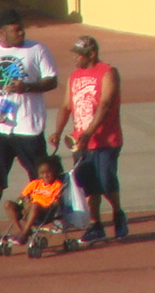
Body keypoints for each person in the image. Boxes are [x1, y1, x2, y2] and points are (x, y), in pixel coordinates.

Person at [0, 7, 57, 242]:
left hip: (28, 126)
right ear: (1, 32)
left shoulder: (37, 50)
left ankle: (46, 217)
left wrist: (26, 87)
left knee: (39, 175)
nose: (21, 33)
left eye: (21, 28)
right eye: (15, 30)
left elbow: (51, 80)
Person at [50, 34, 127, 242]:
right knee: (87, 183)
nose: (75, 58)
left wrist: (89, 133)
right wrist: (58, 131)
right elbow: (66, 105)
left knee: (105, 180)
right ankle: (96, 224)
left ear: (91, 54)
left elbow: (105, 105)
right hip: (80, 142)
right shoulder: (74, 76)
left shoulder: (108, 73)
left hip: (105, 140)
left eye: (79, 55)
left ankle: (118, 213)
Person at [4, 156, 69, 245]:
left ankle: (24, 234)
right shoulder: (34, 184)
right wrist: (24, 202)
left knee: (35, 205)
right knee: (8, 204)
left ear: (54, 172)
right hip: (27, 209)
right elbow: (21, 197)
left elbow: (55, 203)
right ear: (39, 174)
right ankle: (22, 231)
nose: (45, 175)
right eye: (42, 173)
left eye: (48, 172)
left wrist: (37, 205)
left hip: (44, 212)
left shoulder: (57, 185)